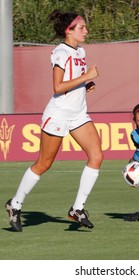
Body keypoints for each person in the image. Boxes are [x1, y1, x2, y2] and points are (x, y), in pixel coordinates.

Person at [5, 10, 103, 232]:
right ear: (68, 31)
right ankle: (15, 204)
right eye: (81, 28)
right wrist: (86, 77)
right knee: (44, 164)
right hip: (58, 114)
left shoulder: (81, 50)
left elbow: (72, 80)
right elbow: (58, 87)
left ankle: (77, 209)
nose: (86, 31)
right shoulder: (61, 52)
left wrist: (85, 84)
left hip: (78, 114)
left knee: (96, 156)